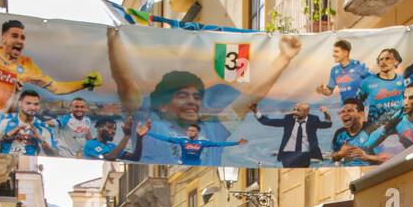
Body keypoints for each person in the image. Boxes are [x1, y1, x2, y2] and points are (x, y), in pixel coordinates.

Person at [108, 27, 304, 166]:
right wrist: (114, 41)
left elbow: (251, 96)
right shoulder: (146, 121)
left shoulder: (214, 130)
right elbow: (125, 81)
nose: (192, 101)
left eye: (196, 96)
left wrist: (283, 58)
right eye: (183, 95)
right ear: (163, 106)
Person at [0, 19, 102, 116]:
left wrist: (85, 82)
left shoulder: (27, 65)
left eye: (22, 38)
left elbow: (56, 88)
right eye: (15, 36)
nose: (20, 40)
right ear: (3, 39)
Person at [249, 101, 333, 167]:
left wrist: (325, 113)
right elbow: (268, 122)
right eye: (294, 109)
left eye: (298, 110)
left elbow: (328, 124)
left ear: (306, 112)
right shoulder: (288, 119)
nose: (294, 112)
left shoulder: (313, 120)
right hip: (288, 155)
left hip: (308, 155)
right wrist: (255, 111)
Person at [0, 88, 57, 155]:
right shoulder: (3, 119)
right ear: (19, 103)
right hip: (4, 164)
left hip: (29, 166)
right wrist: (7, 135)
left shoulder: (43, 127)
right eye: (28, 103)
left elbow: (55, 154)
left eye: (36, 104)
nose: (32, 107)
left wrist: (41, 140)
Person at [148, 122, 247, 166]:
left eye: (192, 131)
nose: (189, 132)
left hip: (197, 164)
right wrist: (148, 132)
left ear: (197, 133)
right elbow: (165, 138)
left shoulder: (202, 142)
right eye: (188, 130)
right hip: (183, 164)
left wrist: (236, 143)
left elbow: (219, 144)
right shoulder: (182, 140)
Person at [329, 98, 393, 165]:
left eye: (350, 111)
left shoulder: (374, 130)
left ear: (360, 114)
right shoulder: (340, 134)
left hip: (372, 171)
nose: (345, 114)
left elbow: (390, 158)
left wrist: (366, 157)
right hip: (350, 172)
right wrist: (340, 154)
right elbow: (332, 158)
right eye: (343, 112)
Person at [357, 48, 406, 127]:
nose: (383, 62)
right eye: (381, 59)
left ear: (396, 61)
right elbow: (357, 103)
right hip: (374, 127)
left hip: (399, 125)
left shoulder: (403, 81)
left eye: (387, 58)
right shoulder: (367, 82)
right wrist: (362, 120)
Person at [316, 38, 369, 103]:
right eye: (333, 52)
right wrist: (322, 90)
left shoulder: (360, 66)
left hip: (361, 108)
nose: (333, 54)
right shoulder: (334, 70)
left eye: (336, 51)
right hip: (345, 107)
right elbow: (329, 91)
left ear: (345, 53)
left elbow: (373, 83)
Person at [83, 117, 149, 161]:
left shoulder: (112, 146)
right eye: (109, 127)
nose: (113, 131)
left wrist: (139, 138)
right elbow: (110, 157)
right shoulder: (91, 144)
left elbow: (135, 158)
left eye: (114, 129)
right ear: (98, 128)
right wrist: (127, 135)